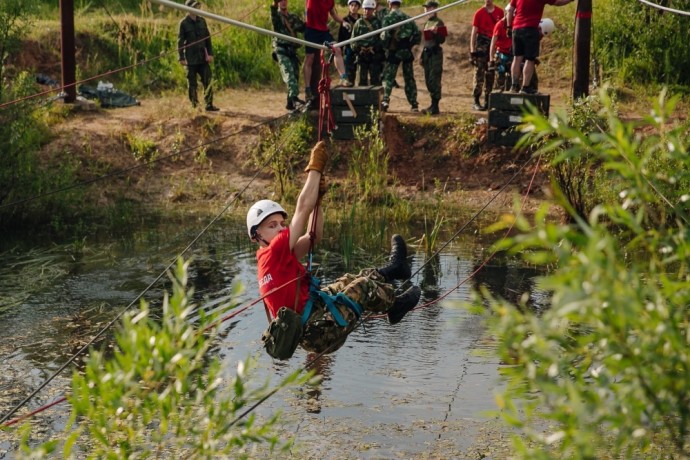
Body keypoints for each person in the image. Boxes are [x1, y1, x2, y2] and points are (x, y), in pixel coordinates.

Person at [247, 141, 422, 360]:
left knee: (353, 278)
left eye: (282, 223)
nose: (281, 228)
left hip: (316, 319)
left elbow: (313, 237)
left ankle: (396, 269)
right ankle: (395, 306)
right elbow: (302, 208)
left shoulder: (272, 258)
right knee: (364, 286)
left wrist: (318, 200)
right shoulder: (274, 251)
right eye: (271, 225)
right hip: (320, 332)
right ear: (256, 236)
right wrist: (315, 168)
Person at [507, 0, 573, 94]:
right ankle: (525, 87)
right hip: (530, 28)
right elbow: (558, 2)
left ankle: (514, 86)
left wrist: (509, 26)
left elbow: (510, 9)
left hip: (516, 28)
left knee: (517, 58)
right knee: (530, 59)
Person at [303, 0, 351, 108]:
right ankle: (307, 89)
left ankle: (343, 77)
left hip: (323, 32)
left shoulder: (330, 1)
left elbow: (333, 14)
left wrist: (343, 22)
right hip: (311, 30)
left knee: (337, 49)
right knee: (310, 58)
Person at [178, 0, 219, 112]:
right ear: (188, 9)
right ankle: (195, 106)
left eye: (197, 6)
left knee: (208, 81)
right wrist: (181, 57)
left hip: (202, 58)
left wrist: (210, 54)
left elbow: (208, 39)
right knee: (192, 84)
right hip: (190, 59)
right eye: (194, 6)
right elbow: (180, 41)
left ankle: (209, 105)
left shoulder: (202, 21)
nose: (196, 8)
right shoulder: (184, 23)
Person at [380, 0, 421, 112]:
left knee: (389, 77)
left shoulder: (388, 18)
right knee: (409, 78)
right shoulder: (408, 18)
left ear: (389, 4)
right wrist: (410, 45)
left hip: (394, 51)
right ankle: (414, 104)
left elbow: (384, 36)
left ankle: (385, 100)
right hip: (406, 51)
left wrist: (385, 48)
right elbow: (417, 34)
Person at [270, 0, 306, 111]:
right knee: (290, 76)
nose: (283, 2)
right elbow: (273, 10)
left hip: (292, 51)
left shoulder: (293, 17)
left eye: (285, 0)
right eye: (281, 1)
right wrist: (275, 3)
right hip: (281, 50)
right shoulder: (277, 17)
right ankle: (295, 100)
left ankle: (290, 104)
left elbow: (304, 27)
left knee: (295, 76)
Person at [469, 0, 504, 111]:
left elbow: (502, 29)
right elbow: (474, 32)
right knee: (479, 73)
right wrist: (472, 50)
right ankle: (476, 100)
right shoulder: (479, 13)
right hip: (482, 45)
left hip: (493, 46)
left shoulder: (500, 12)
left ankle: (488, 100)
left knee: (491, 73)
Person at [420, 0, 447, 115]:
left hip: (435, 53)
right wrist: (422, 55)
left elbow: (442, 39)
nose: (426, 10)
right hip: (427, 53)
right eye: (425, 8)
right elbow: (425, 41)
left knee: (434, 79)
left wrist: (436, 33)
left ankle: (435, 105)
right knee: (427, 79)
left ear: (434, 9)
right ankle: (432, 104)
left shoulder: (438, 22)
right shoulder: (427, 22)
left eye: (428, 7)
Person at [351, 0, 385, 86]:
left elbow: (383, 39)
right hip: (361, 56)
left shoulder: (378, 22)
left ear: (373, 9)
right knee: (361, 83)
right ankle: (362, 99)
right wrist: (359, 48)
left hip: (374, 56)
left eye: (369, 9)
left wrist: (374, 48)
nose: (366, 11)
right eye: (365, 9)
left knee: (376, 82)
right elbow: (352, 40)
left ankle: (376, 99)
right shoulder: (358, 23)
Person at [337, 0, 362, 86]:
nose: (353, 7)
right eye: (351, 5)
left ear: (359, 7)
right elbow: (341, 37)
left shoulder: (362, 19)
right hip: (349, 50)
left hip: (362, 49)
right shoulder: (345, 20)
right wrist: (339, 50)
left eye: (355, 5)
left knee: (362, 76)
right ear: (349, 6)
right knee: (350, 76)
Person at [489, 12, 512, 93]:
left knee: (511, 80)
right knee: (499, 79)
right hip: (501, 53)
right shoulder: (499, 25)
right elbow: (493, 42)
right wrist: (491, 59)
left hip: (511, 53)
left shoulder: (515, 23)